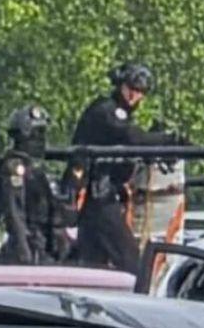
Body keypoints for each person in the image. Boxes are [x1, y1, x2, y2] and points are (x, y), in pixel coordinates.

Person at [70, 62, 183, 272]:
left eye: (140, 91)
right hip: (98, 196)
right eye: (131, 88)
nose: (134, 95)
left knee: (92, 263)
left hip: (102, 197)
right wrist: (168, 139)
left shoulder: (117, 114)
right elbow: (133, 138)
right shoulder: (106, 111)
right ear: (120, 85)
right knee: (132, 263)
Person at [0, 105, 73, 265]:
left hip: (44, 247)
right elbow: (15, 213)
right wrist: (24, 252)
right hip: (27, 250)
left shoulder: (36, 171)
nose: (41, 139)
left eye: (42, 133)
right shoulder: (14, 168)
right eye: (37, 134)